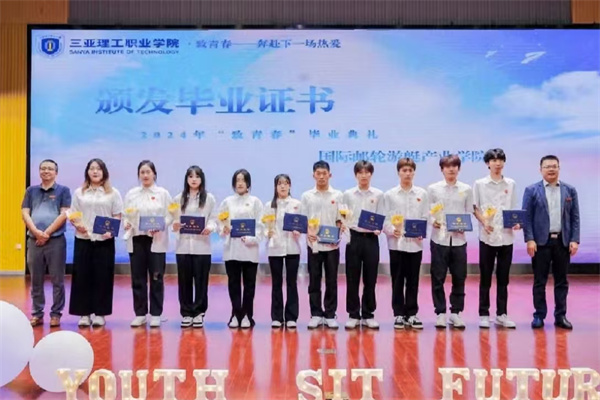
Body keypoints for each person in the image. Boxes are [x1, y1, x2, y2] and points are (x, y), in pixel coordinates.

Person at [522, 155, 579, 330]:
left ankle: (560, 316)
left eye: (554, 166)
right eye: (547, 166)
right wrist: (529, 239)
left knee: (562, 281)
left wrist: (574, 239)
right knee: (540, 281)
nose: (551, 169)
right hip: (540, 242)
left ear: (559, 168)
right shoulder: (531, 190)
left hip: (562, 241)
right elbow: (526, 217)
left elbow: (575, 217)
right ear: (541, 170)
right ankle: (539, 315)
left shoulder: (570, 190)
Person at [68, 158, 123, 328]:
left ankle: (100, 313)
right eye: (92, 168)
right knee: (82, 276)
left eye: (98, 168)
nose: (95, 171)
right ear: (87, 172)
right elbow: (73, 214)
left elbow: (117, 215)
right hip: (83, 239)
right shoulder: (79, 192)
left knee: (103, 277)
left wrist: (111, 231)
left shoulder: (112, 193)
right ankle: (84, 314)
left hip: (104, 241)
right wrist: (77, 224)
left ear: (104, 172)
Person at [21, 159, 71, 327]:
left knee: (58, 280)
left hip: (55, 240)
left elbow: (64, 214)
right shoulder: (31, 191)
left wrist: (47, 233)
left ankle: (56, 314)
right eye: (43, 168)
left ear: (56, 172)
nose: (46, 171)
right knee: (36, 279)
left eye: (50, 169)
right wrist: (36, 232)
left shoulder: (63, 190)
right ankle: (37, 313)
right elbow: (25, 213)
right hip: (34, 240)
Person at [473, 148, 519, 329]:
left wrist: (516, 223)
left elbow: (513, 209)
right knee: (485, 277)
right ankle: (483, 314)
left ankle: (502, 314)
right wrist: (484, 221)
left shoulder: (511, 183)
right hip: (487, 236)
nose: (497, 163)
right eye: (493, 160)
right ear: (488, 163)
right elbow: (475, 207)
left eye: (500, 160)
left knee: (503, 278)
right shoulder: (480, 184)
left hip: (506, 237)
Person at [124, 160, 172, 328]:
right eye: (142, 172)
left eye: (148, 172)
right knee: (138, 277)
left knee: (156, 277)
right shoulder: (132, 194)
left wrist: (161, 225)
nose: (145, 175)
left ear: (154, 174)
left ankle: (156, 314)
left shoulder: (162, 193)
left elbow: (171, 215)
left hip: (156, 239)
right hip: (136, 238)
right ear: (139, 175)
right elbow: (126, 215)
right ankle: (140, 314)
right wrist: (126, 223)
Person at [427, 154, 473, 329]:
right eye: (447, 166)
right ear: (442, 169)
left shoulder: (466, 189)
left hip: (459, 240)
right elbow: (428, 212)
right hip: (439, 239)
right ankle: (440, 312)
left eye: (454, 166)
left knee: (459, 277)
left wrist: (464, 226)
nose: (451, 169)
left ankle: (456, 313)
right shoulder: (433, 189)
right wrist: (433, 221)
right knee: (437, 277)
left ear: (458, 169)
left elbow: (468, 212)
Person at [383, 158, 428, 330]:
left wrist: (421, 230)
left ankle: (412, 313)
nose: (407, 173)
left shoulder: (422, 194)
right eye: (404, 170)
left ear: (414, 172)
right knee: (397, 280)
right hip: (396, 244)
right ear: (398, 172)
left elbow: (425, 216)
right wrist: (391, 230)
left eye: (410, 170)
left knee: (413, 280)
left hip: (415, 244)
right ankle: (398, 314)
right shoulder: (390, 195)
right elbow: (385, 219)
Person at [300, 161, 344, 330]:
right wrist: (308, 231)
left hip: (332, 245)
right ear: (313, 175)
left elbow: (340, 219)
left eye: (324, 173)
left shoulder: (337, 195)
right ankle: (316, 314)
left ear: (329, 175)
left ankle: (330, 314)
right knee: (314, 280)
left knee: (332, 280)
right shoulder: (307, 196)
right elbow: (303, 220)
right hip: (313, 245)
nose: (321, 177)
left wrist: (338, 233)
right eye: (318, 173)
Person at [172, 166, 217, 328]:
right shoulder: (178, 198)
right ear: (186, 179)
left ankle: (198, 312)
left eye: (197, 176)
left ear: (201, 179)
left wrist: (210, 227)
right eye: (190, 176)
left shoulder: (209, 198)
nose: (194, 179)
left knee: (201, 280)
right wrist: (175, 225)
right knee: (184, 281)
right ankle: (186, 312)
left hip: (202, 247)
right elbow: (173, 219)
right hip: (183, 246)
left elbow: (214, 219)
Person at [219, 169, 263, 329]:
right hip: (232, 249)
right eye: (237, 180)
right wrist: (223, 230)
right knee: (233, 283)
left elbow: (261, 225)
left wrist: (252, 238)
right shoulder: (227, 202)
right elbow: (220, 222)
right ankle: (235, 314)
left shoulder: (255, 202)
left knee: (249, 285)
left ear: (248, 183)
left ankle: (246, 315)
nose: (240, 183)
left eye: (243, 180)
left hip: (249, 249)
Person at [342, 160, 384, 330]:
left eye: (367, 172)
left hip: (371, 239)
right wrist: (343, 225)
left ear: (371, 174)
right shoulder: (348, 194)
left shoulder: (379, 194)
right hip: (354, 238)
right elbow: (343, 216)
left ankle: (368, 314)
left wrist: (379, 228)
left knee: (370, 278)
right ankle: (353, 314)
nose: (364, 175)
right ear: (356, 175)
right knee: (352, 277)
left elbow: (382, 216)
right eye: (360, 172)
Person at [263, 174, 302, 329]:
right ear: (276, 187)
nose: (283, 186)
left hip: (292, 247)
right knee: (276, 283)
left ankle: (291, 317)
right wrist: (267, 233)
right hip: (275, 248)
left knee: (292, 282)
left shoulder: (297, 204)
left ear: (290, 185)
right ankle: (277, 317)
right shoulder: (269, 206)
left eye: (286, 183)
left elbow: (303, 224)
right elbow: (264, 226)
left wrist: (299, 231)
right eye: (280, 183)